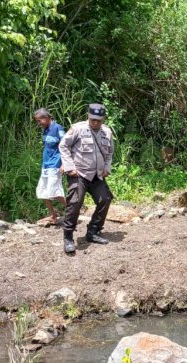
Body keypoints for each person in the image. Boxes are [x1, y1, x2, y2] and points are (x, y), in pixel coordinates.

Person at [58, 103, 114, 254]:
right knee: (75, 202)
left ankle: (93, 232)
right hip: (79, 174)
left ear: (103, 119)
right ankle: (68, 236)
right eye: (92, 119)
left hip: (97, 175)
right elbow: (63, 146)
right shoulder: (78, 129)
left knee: (105, 199)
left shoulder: (107, 132)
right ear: (88, 117)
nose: (95, 122)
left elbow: (109, 153)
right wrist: (69, 167)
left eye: (98, 120)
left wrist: (107, 168)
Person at [33, 108, 67, 226]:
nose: (39, 123)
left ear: (46, 118)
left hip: (55, 164)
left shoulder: (58, 128)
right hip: (45, 165)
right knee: (42, 191)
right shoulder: (45, 130)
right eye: (37, 121)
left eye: (39, 120)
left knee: (55, 192)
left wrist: (64, 163)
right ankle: (53, 216)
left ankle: (73, 212)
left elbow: (65, 146)